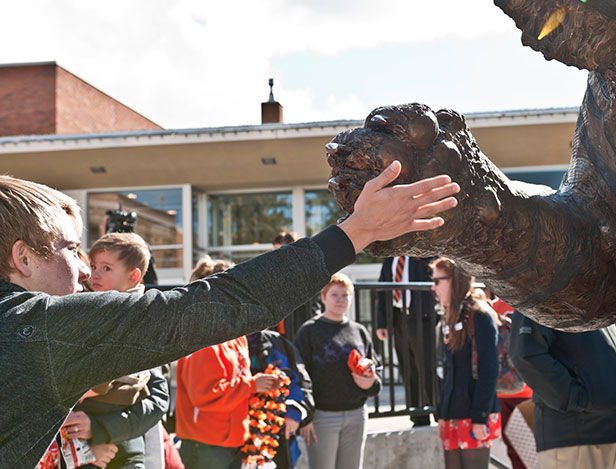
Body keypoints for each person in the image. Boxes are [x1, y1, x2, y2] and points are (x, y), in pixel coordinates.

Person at [0, 161, 459, 468]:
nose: (84, 269)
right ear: (23, 258)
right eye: (71, 249)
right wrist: (357, 230)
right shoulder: (38, 327)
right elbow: (212, 304)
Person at [64, 233, 170, 469]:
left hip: (124, 440)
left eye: (106, 268)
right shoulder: (85, 308)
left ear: (133, 276)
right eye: (94, 266)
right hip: (82, 444)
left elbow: (158, 399)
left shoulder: (139, 318)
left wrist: (99, 427)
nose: (94, 274)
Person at [175, 257, 281, 469]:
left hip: (230, 441)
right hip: (205, 444)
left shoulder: (235, 335)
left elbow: (234, 382)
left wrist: (260, 385)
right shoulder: (203, 338)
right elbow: (205, 395)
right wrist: (252, 385)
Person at [509, 312, 616, 469]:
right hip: (575, 434)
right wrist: (576, 399)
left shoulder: (597, 300)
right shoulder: (542, 297)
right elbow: (526, 354)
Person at [294, 273, 380, 469]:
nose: (340, 299)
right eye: (334, 295)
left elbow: (375, 369)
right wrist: (306, 417)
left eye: (345, 295)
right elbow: (299, 374)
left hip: (357, 415)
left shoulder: (359, 331)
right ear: (323, 297)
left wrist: (371, 382)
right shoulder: (309, 331)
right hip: (322, 417)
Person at [431, 257, 501, 469]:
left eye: (437, 281)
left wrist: (480, 416)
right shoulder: (451, 315)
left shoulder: (480, 314)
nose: (433, 288)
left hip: (475, 413)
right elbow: (449, 371)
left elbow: (490, 369)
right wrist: (442, 414)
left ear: (455, 280)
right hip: (453, 413)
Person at [375, 255, 438, 426]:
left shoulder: (424, 252)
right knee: (407, 368)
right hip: (398, 317)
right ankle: (418, 416)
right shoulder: (390, 257)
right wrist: (382, 323)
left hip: (422, 317)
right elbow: (382, 289)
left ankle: (440, 413)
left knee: (426, 367)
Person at [246, 325, 314, 468]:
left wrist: (294, 413)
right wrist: (251, 385)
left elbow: (299, 382)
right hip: (239, 435)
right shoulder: (224, 344)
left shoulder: (277, 342)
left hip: (279, 435)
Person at [489, 295, 533, 469]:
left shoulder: (531, 304)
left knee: (526, 454)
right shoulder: (493, 306)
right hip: (508, 391)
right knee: (518, 453)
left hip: (523, 392)